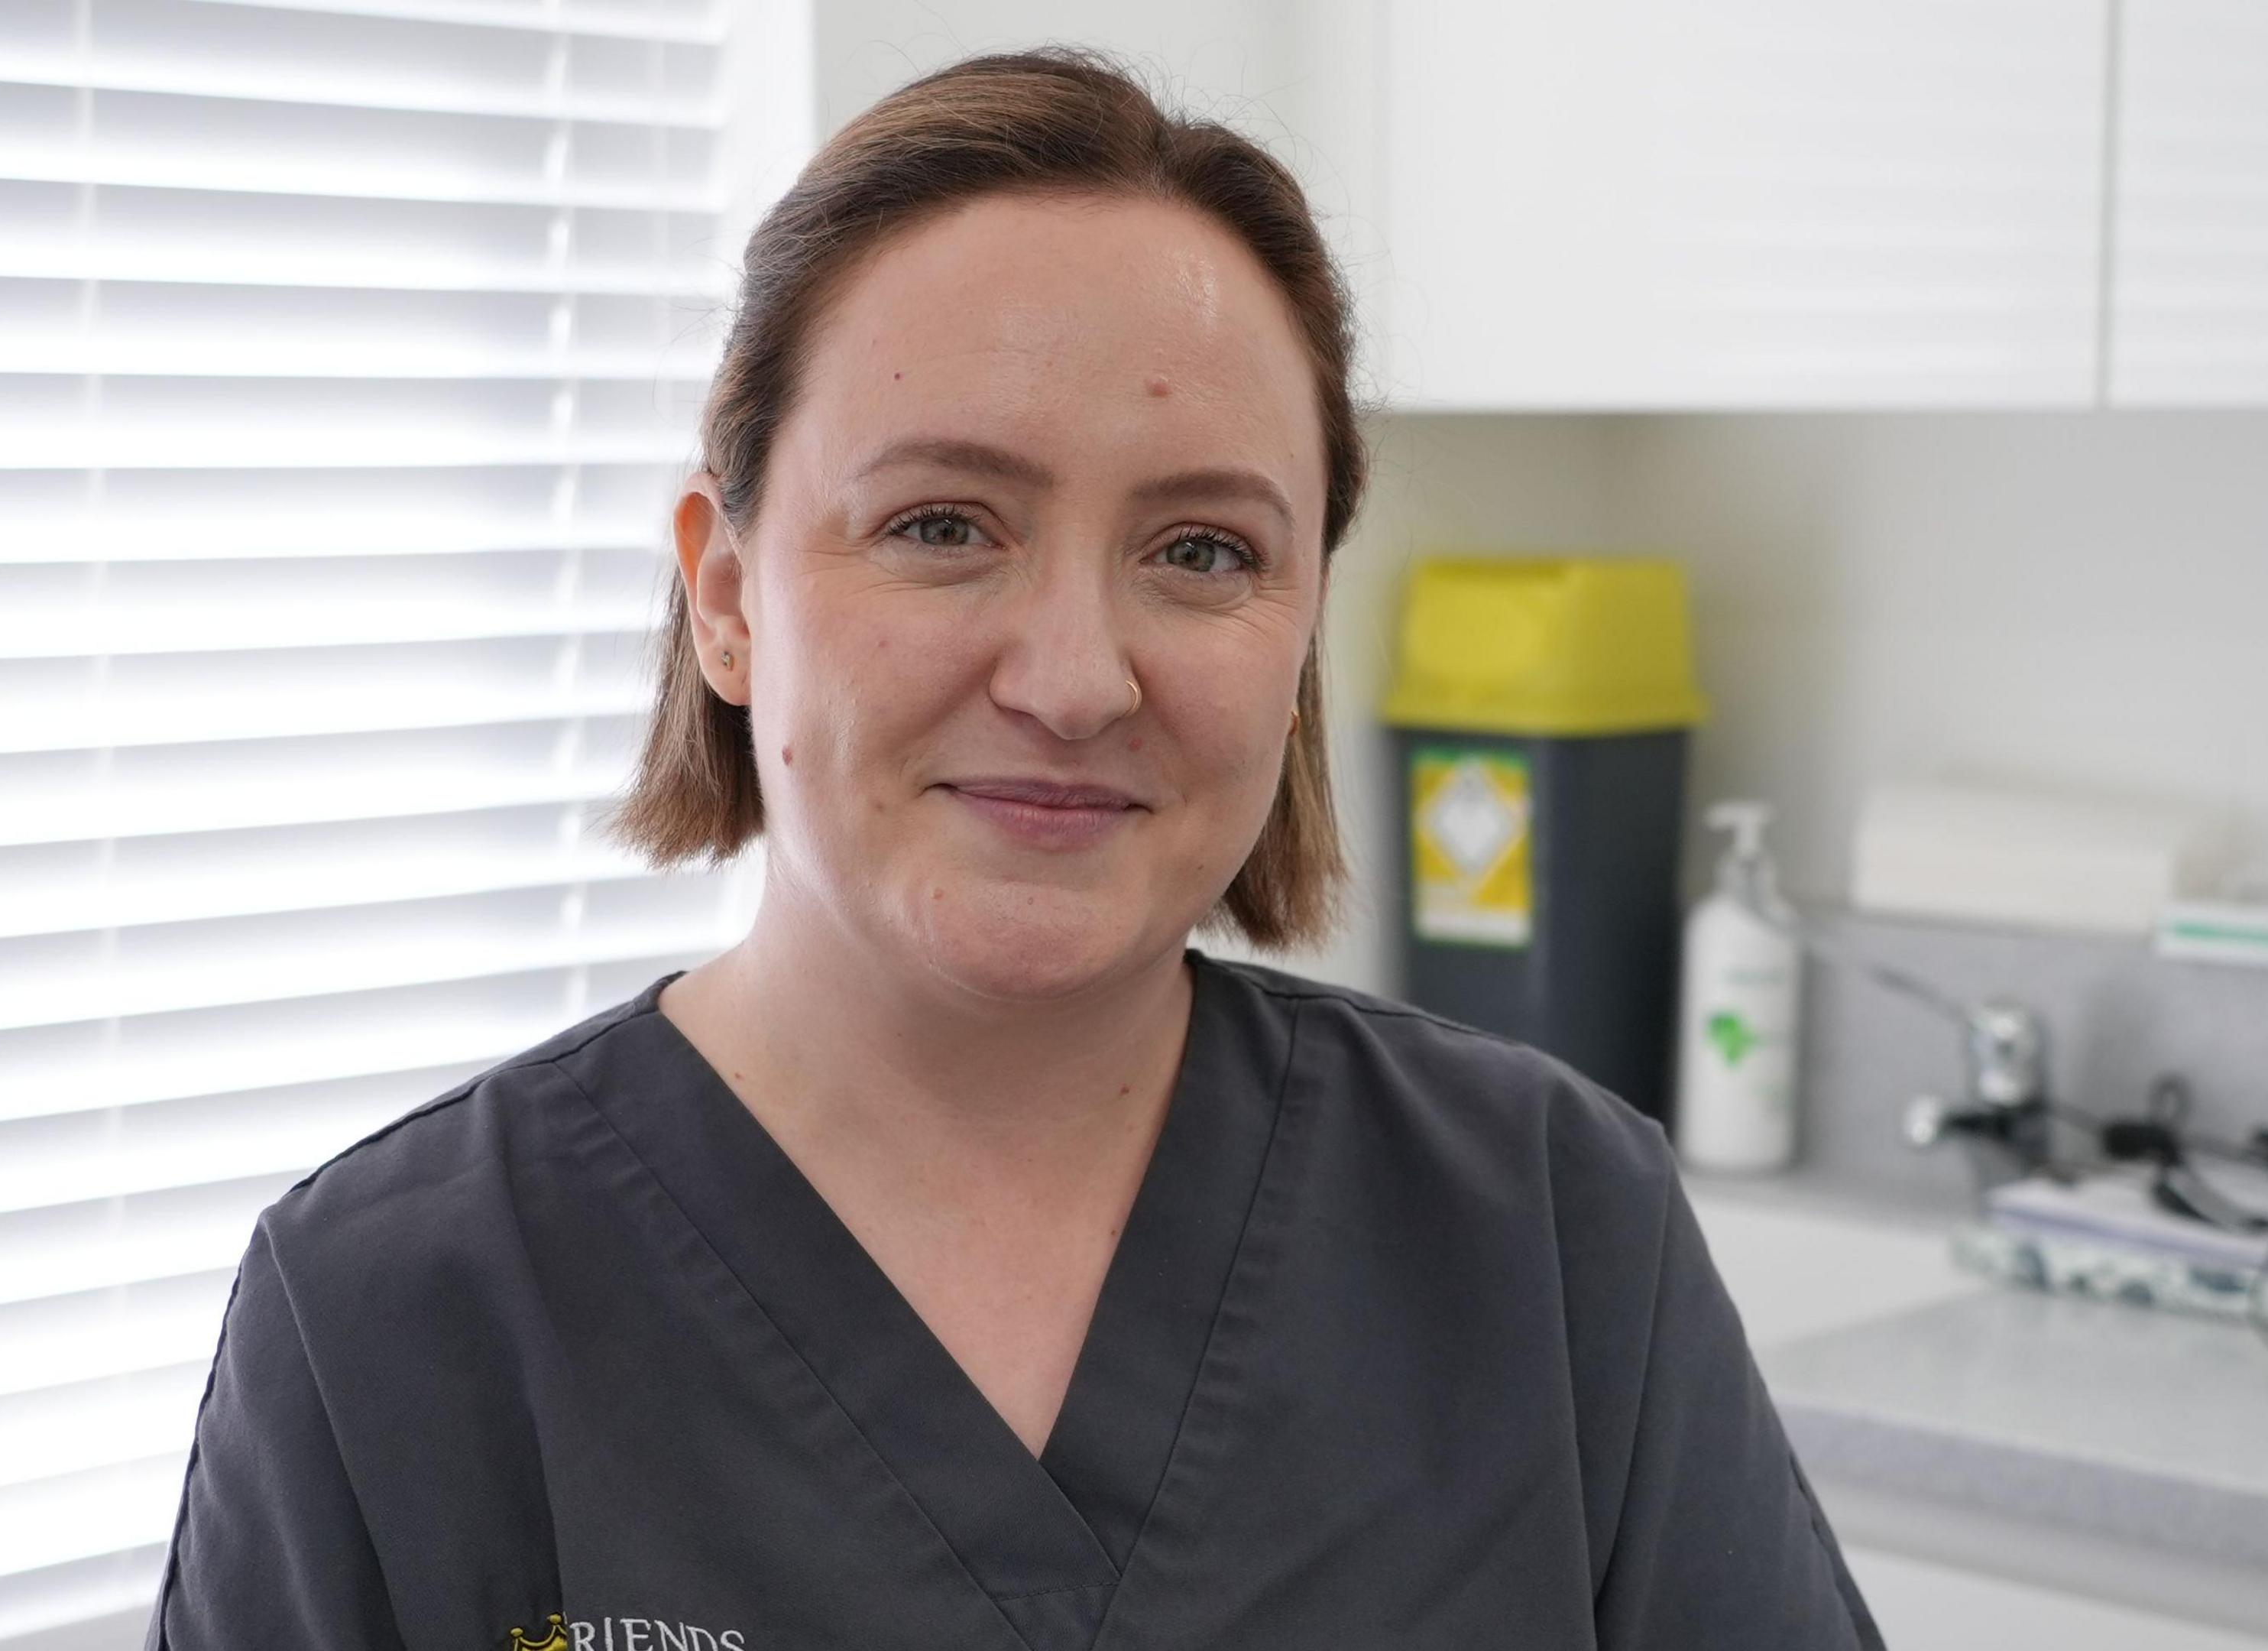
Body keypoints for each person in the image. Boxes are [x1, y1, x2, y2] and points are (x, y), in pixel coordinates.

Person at [144, 47, 1884, 1651]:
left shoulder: (1554, 1232)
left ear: (1302, 639)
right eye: (941, 525)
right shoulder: (393, 1313)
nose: (1072, 680)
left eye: (1203, 550)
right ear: (730, 598)